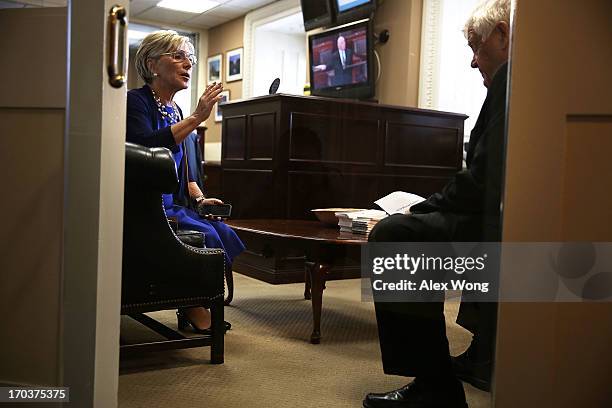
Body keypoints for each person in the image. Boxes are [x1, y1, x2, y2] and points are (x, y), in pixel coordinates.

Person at [363, 0, 510, 407]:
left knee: (395, 236)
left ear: (502, 34)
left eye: (476, 48)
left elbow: (482, 181)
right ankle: (456, 370)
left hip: (506, 226)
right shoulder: (513, 83)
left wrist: (423, 209)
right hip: (494, 216)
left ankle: (435, 388)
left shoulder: (514, 82)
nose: (472, 62)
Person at [126, 30, 245, 334]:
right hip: (144, 206)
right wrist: (196, 118)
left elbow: (185, 169)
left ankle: (194, 302)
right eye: (177, 57)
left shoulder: (175, 109)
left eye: (188, 58)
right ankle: (194, 305)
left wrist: (200, 197)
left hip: (174, 203)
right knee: (206, 234)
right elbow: (144, 148)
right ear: (153, 65)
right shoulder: (135, 102)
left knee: (220, 229)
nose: (187, 65)